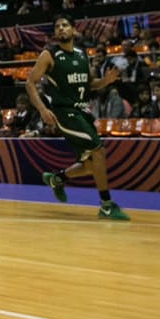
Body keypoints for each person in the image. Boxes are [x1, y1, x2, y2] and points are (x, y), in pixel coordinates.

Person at [26, 14, 129, 220]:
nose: (61, 29)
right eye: (57, 26)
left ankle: (57, 179)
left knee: (91, 164)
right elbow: (30, 82)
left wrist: (106, 81)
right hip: (64, 113)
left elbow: (90, 84)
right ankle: (106, 205)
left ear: (74, 30)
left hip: (83, 112)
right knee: (98, 151)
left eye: (65, 25)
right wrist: (42, 109)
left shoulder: (82, 54)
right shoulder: (49, 55)